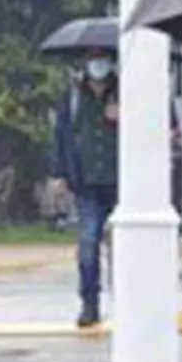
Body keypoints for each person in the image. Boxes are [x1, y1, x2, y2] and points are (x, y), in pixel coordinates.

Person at [51, 49, 121, 329]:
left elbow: (157, 123)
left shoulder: (127, 91)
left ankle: (126, 300)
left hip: (122, 182)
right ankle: (89, 303)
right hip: (87, 183)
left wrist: (125, 117)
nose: (98, 64)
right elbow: (61, 135)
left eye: (103, 57)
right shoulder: (72, 97)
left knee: (123, 247)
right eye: (93, 58)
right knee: (88, 242)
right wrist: (59, 174)